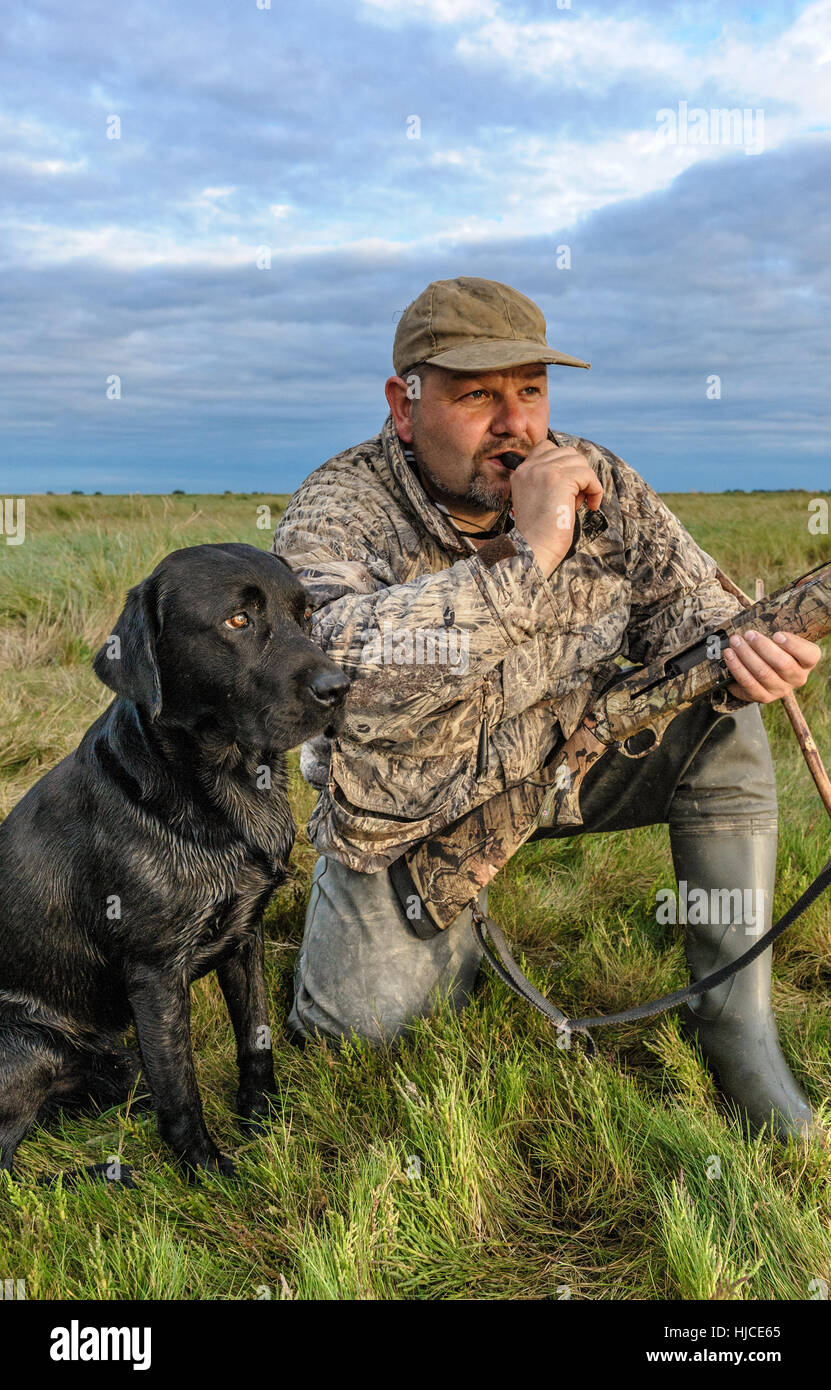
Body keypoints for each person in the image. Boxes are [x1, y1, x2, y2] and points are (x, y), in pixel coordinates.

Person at [271, 276, 823, 1144]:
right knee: (357, 1044)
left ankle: (733, 1028)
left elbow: (694, 615)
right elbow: (332, 675)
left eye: (529, 389)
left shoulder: (596, 479)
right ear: (404, 404)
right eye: (477, 395)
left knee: (721, 714)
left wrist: (752, 651)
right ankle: (427, 921)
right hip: (409, 818)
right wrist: (529, 553)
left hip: (567, 764)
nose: (514, 423)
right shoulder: (340, 508)